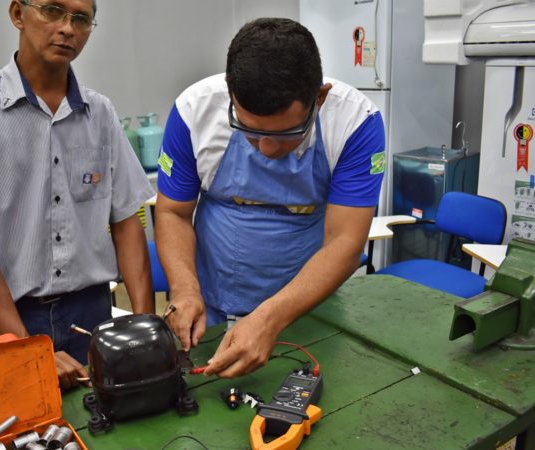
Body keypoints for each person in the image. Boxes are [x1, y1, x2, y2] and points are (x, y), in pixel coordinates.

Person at [0, 0, 155, 389]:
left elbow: (127, 224)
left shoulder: (101, 113)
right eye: (52, 11)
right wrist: (26, 348)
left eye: (81, 19)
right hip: (6, 320)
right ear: (17, 14)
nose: (67, 28)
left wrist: (145, 328)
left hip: (91, 313)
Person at [155, 18, 385, 379]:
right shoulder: (193, 111)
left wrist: (270, 317)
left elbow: (345, 241)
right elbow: (173, 213)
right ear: (231, 93)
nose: (266, 148)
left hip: (306, 315)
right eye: (248, 130)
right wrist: (185, 291)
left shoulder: (355, 122)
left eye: (288, 133)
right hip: (211, 311)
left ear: (319, 99)